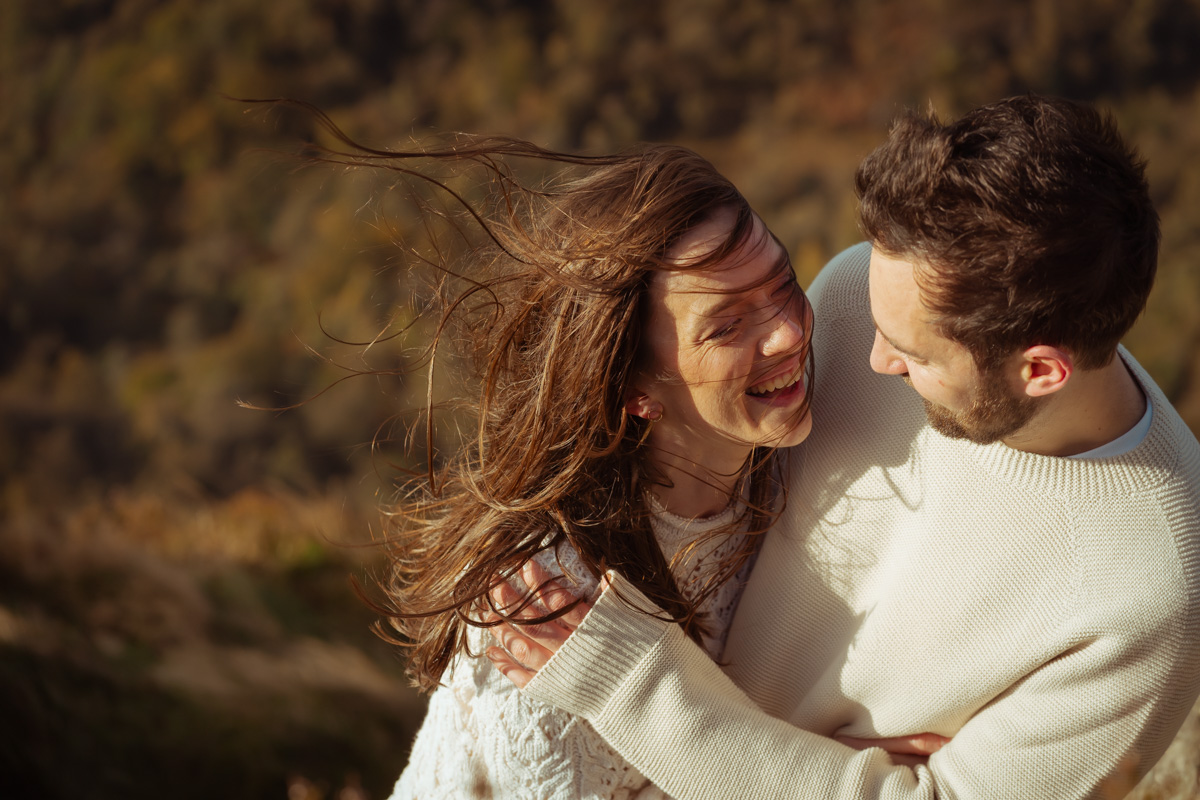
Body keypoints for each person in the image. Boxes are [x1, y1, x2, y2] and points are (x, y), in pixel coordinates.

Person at [488, 94, 1200, 799]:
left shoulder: (1149, 594)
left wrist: (633, 687)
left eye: (912, 352)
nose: (867, 356)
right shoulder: (865, 299)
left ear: (1040, 370)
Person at [360, 138, 817, 798]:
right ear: (634, 389)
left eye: (784, 284)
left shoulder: (785, 463)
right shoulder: (549, 600)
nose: (788, 334)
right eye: (726, 326)